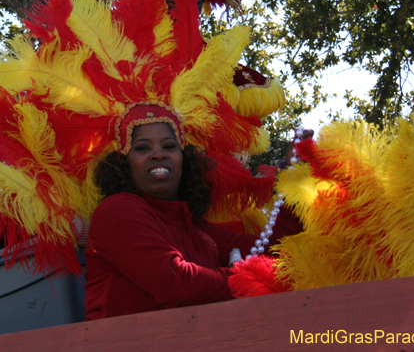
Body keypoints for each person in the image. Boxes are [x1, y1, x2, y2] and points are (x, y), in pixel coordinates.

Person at [85, 120, 301, 320]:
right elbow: (177, 284)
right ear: (123, 163)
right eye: (142, 148)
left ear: (184, 160)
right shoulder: (116, 211)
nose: (158, 154)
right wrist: (250, 278)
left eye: (169, 146)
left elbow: (276, 251)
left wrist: (297, 181)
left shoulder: (198, 228)